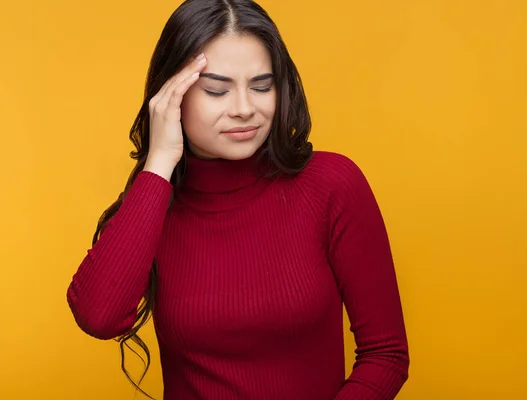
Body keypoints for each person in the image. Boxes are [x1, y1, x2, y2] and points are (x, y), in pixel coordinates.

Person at [66, 0, 409, 399]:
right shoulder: (153, 204)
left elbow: (386, 355)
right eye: (216, 90)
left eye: (262, 86)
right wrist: (158, 163)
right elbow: (99, 316)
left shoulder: (332, 185)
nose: (245, 109)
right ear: (171, 95)